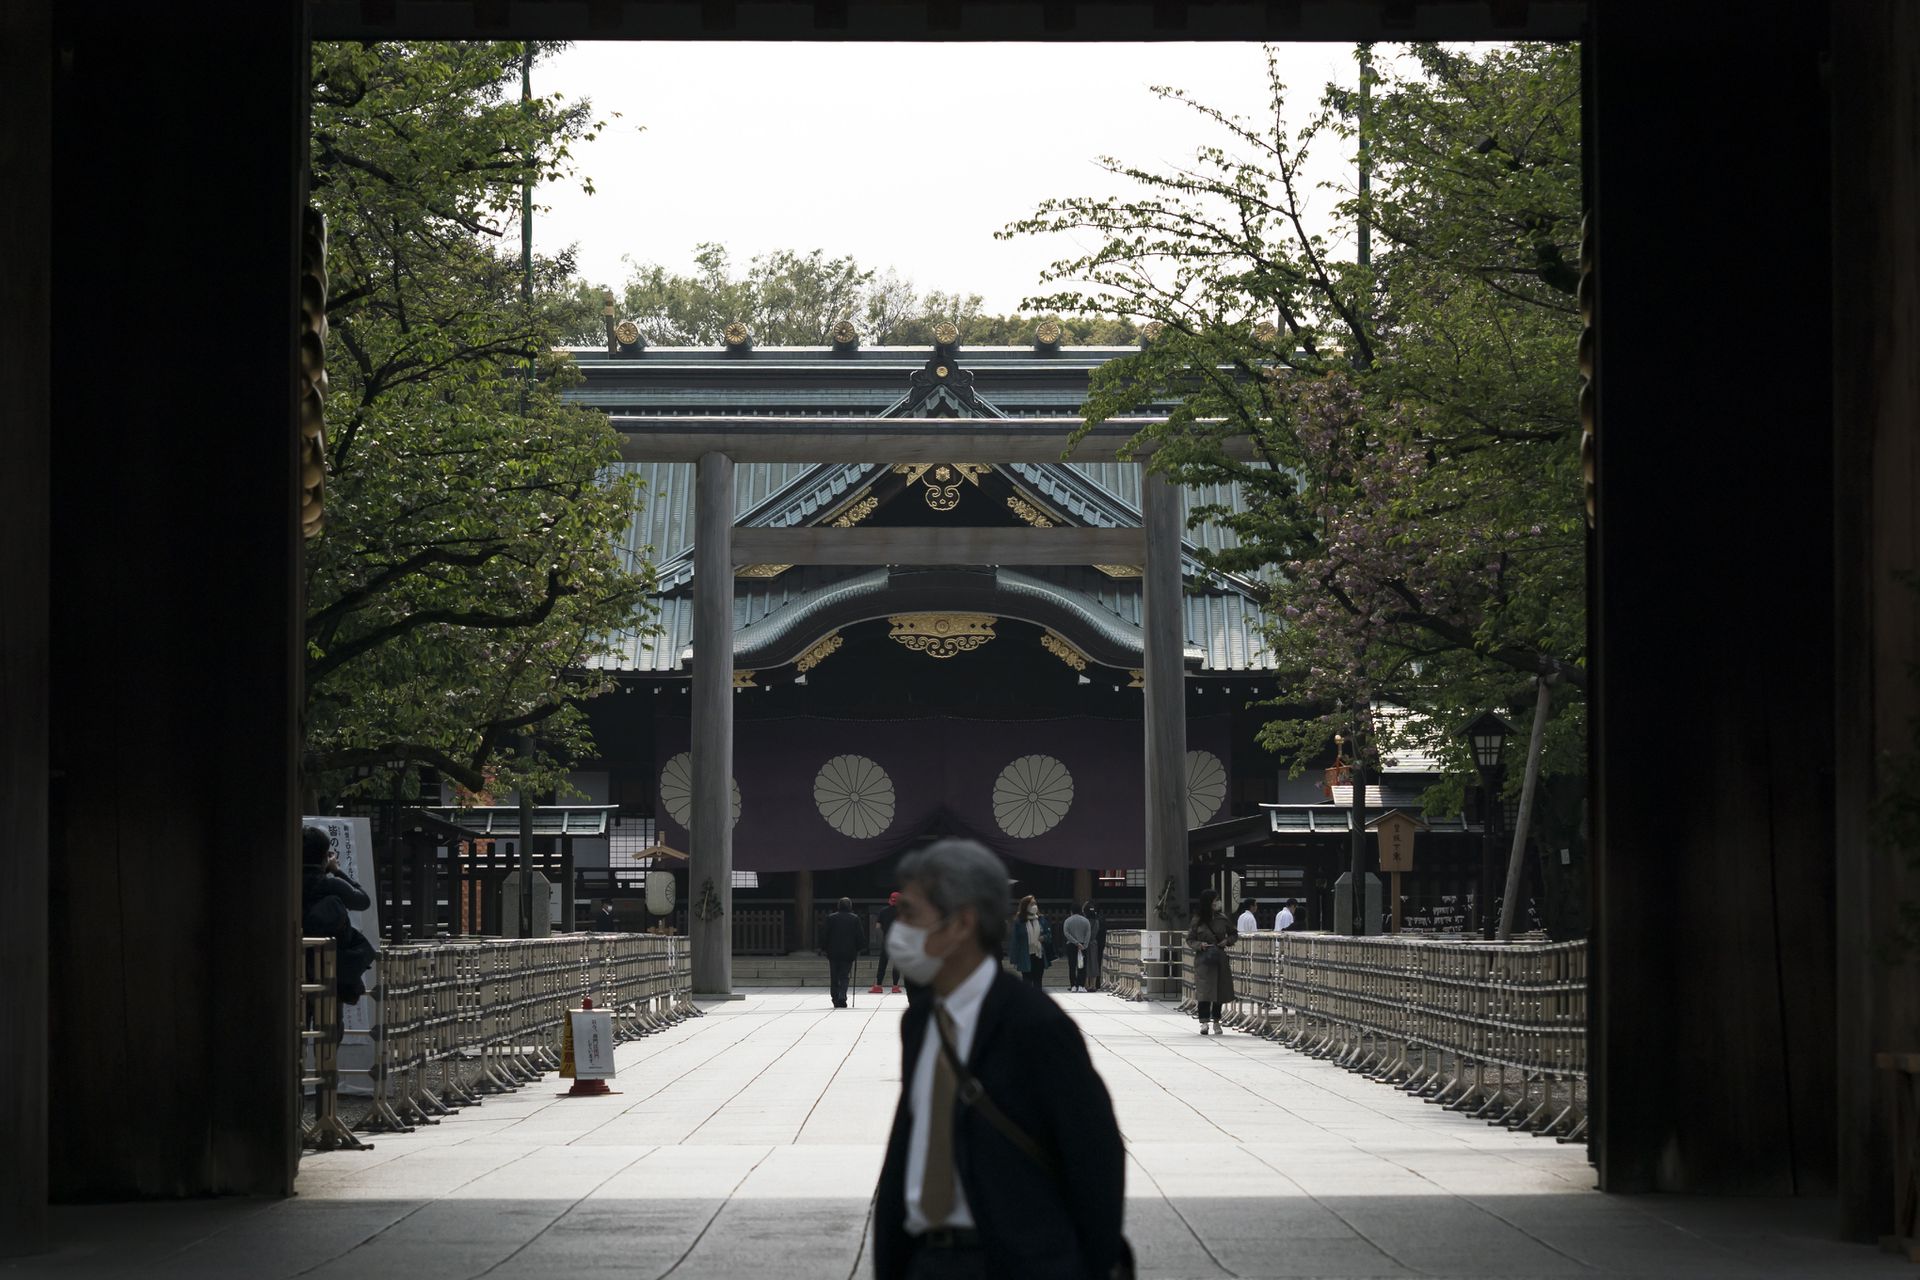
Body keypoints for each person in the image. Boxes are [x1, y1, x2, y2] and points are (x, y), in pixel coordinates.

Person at [873, 838, 1127, 1280]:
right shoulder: (921, 1022)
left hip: (1015, 1259)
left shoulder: (1035, 1025)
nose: (900, 929)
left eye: (912, 914)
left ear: (961, 923)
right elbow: (907, 1150)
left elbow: (1095, 1159)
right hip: (927, 1261)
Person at [300, 825, 376, 1040]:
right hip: (329, 967)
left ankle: (295, 1070)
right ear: (325, 856)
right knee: (330, 1028)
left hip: (293, 969)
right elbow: (363, 900)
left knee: (296, 1026)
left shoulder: (286, 883)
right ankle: (329, 1070)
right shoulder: (331, 885)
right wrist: (336, 870)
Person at [1187, 889, 1236, 1036]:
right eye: (1215, 899)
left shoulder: (1223, 918)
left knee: (1218, 991)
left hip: (1219, 958)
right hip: (1204, 960)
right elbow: (1190, 939)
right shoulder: (1197, 920)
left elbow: (1234, 933)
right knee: (1204, 991)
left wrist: (1226, 941)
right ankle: (1204, 1022)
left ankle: (1216, 1021)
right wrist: (1199, 945)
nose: (1218, 902)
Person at [824, 896, 865, 1008]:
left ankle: (835, 997)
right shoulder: (854, 918)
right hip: (849, 951)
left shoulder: (831, 918)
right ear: (850, 906)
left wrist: (823, 948)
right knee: (845, 975)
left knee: (834, 976)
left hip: (833, 951)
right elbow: (859, 936)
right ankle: (842, 995)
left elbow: (825, 935)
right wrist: (860, 947)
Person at [1008, 894, 1054, 989]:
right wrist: (1014, 958)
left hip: (1039, 955)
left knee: (1038, 982)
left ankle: (1038, 1002)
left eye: (1035, 903)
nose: (1034, 906)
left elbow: (1049, 935)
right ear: (1026, 906)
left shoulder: (1041, 919)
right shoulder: (1019, 922)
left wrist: (1044, 937)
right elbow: (1015, 940)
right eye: (1032, 904)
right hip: (1026, 955)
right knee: (1027, 982)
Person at [873, 890, 904, 994]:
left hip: (887, 940)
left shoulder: (883, 911)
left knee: (882, 963)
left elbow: (878, 926)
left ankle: (878, 986)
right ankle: (895, 986)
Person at [1061, 904, 1092, 992]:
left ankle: (1073, 985)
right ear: (1080, 911)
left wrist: (1075, 942)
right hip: (1083, 945)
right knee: (1082, 966)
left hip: (1071, 945)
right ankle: (1081, 985)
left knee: (1072, 965)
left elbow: (1066, 933)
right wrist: (1084, 945)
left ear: (1071, 911)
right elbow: (1088, 933)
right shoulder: (1086, 921)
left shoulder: (1067, 921)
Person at [1083, 900, 1105, 989]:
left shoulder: (1085, 921)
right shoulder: (1097, 921)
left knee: (1086, 963)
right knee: (1094, 964)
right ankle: (1094, 984)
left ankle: (1086, 984)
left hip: (1086, 943)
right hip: (1094, 943)